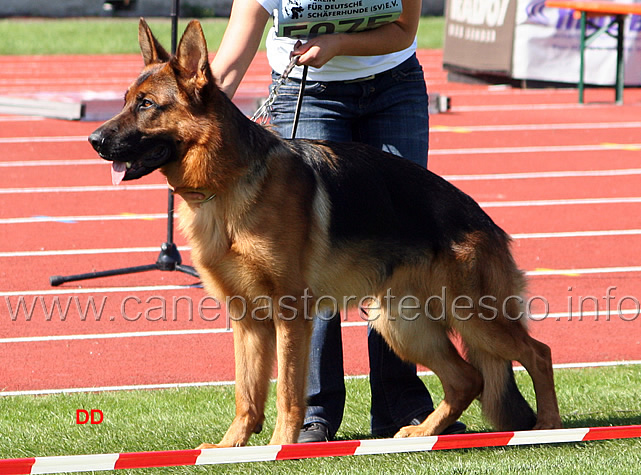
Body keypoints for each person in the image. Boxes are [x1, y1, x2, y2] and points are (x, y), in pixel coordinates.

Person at [210, 0, 466, 442]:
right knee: (309, 260)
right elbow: (228, 67)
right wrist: (187, 126)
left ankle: (399, 404)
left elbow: (403, 30)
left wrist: (338, 42)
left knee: (399, 250)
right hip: (309, 93)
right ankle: (314, 412)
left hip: (395, 85)